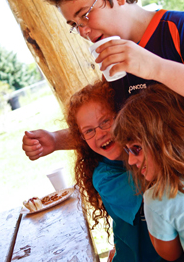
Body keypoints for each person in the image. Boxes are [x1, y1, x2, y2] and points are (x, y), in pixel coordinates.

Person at [23, 0, 184, 159]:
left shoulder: (183, 28)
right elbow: (108, 126)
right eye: (75, 25)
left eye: (84, 15)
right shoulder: (114, 65)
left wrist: (156, 67)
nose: (83, 32)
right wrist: (55, 140)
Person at [64, 80, 166, 262]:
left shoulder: (148, 150)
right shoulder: (104, 177)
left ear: (121, 114)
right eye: (89, 131)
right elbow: (157, 183)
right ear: (82, 138)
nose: (100, 134)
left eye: (105, 121)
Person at [112, 83, 184, 261]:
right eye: (128, 151)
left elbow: (170, 254)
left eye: (136, 148)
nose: (131, 161)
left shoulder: (158, 197)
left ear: (165, 139)